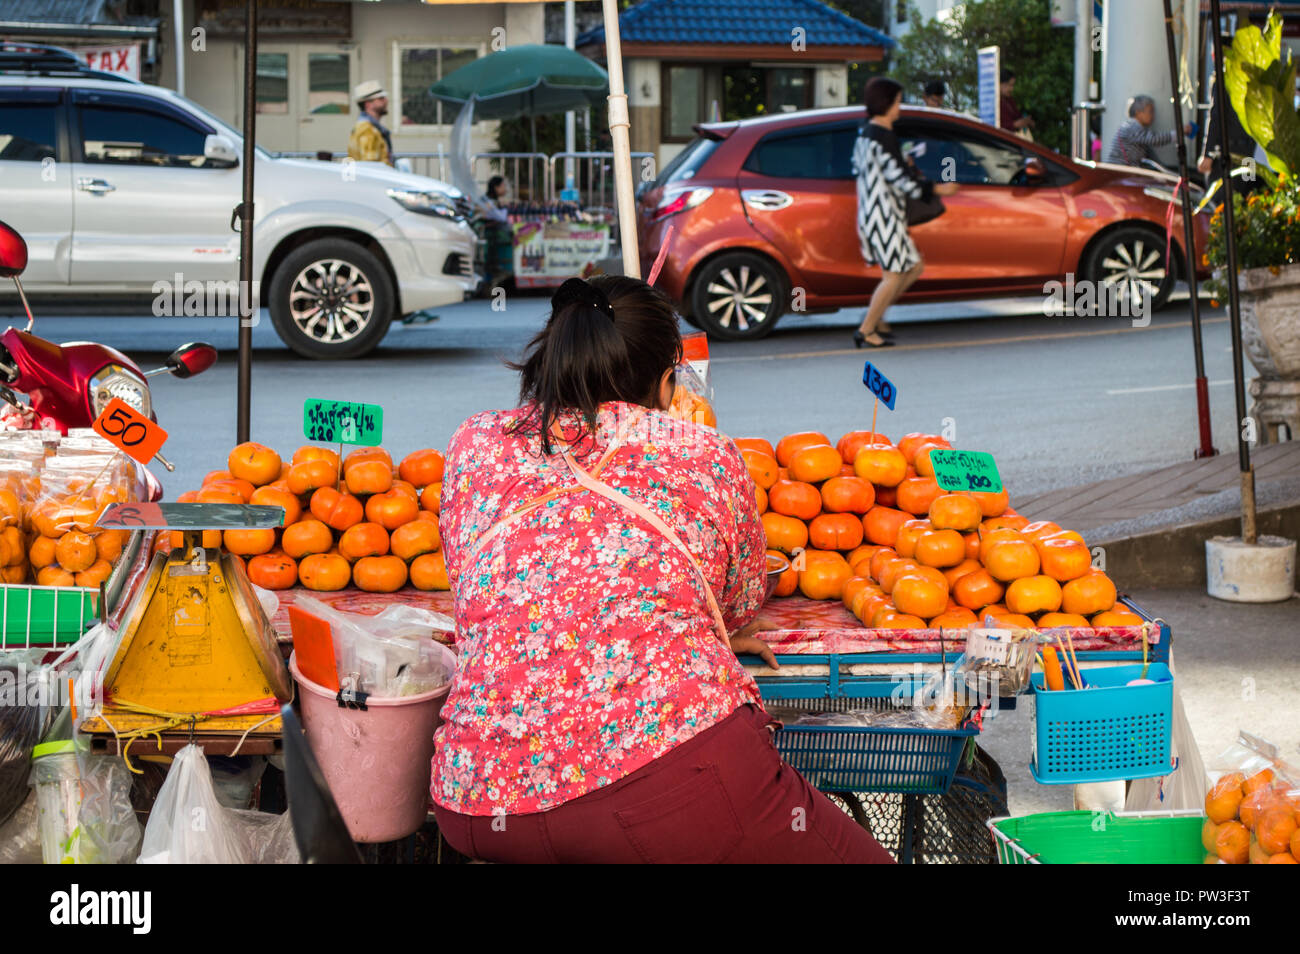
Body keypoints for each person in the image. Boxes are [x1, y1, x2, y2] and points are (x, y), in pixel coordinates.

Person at [430, 276, 896, 864]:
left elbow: (471, 580)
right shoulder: (704, 450)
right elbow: (741, 596)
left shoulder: (473, 443)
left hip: (477, 798)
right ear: (664, 377)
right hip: (672, 780)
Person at [852, 77, 959, 349]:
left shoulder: (866, 132)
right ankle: (866, 329)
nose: (900, 106)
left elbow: (868, 169)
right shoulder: (882, 136)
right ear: (887, 103)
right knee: (895, 274)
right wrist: (938, 190)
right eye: (898, 101)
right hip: (884, 217)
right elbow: (901, 180)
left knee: (912, 267)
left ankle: (877, 319)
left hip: (876, 214)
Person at [1106, 94, 1193, 168]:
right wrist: (1180, 133)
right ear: (1138, 112)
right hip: (1121, 172)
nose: (1153, 116)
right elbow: (1155, 140)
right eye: (1150, 112)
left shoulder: (1130, 126)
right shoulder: (1132, 127)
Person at [347, 80, 393, 167]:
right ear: (368, 104)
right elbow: (370, 167)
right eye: (381, 98)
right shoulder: (368, 131)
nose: (386, 101)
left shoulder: (366, 127)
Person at [999, 69, 1034, 137]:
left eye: (1012, 85)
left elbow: (1017, 115)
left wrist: (1026, 121)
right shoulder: (994, 102)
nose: (1011, 89)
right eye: (1009, 85)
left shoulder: (1009, 100)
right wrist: (1016, 124)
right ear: (1000, 84)